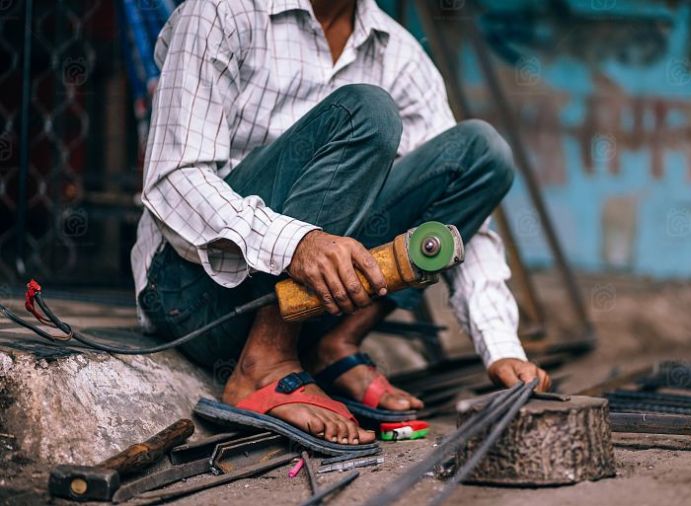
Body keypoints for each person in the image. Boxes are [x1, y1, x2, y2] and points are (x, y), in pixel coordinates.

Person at [132, 0, 550, 446]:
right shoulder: (221, 12)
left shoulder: (399, 53)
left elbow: (456, 225)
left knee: (480, 154)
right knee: (366, 112)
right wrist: (297, 243)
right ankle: (264, 364)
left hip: (317, 309)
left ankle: (333, 346)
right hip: (197, 296)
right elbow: (174, 182)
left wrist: (500, 344)